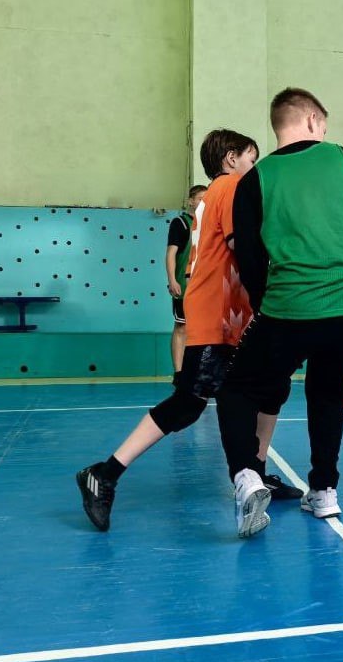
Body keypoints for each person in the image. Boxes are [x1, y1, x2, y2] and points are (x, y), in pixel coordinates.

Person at [76, 128, 301, 537]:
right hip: (218, 312)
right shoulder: (232, 186)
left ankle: (259, 472)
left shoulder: (216, 193)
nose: (256, 168)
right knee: (189, 402)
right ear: (231, 159)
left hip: (234, 313)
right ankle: (103, 473)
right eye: (252, 159)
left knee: (272, 386)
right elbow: (243, 247)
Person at [217, 88, 343, 534]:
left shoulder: (255, 179)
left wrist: (267, 302)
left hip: (290, 305)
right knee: (327, 390)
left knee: (236, 390)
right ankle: (323, 492)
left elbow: (248, 257)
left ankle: (246, 475)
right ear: (314, 121)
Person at [167, 185, 206, 374]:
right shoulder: (181, 223)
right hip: (185, 285)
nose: (203, 203)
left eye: (206, 199)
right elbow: (171, 253)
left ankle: (197, 371)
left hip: (205, 287)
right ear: (191, 201)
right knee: (181, 327)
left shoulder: (209, 224)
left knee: (202, 331)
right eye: (200, 198)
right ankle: (179, 372)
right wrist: (172, 279)